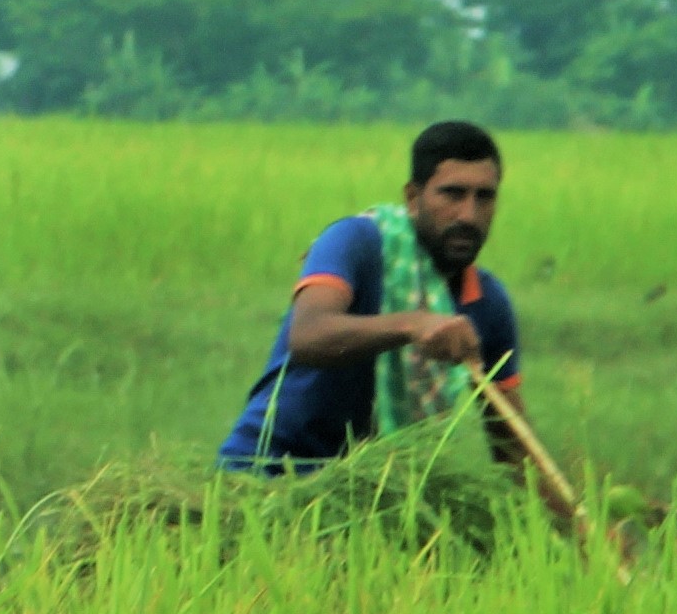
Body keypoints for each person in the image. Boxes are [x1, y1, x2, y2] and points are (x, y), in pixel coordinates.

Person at [217, 121, 523, 473]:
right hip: (270, 470)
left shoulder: (486, 304)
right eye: (452, 194)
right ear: (412, 197)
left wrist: (577, 525)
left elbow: (512, 442)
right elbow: (307, 336)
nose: (469, 215)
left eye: (484, 197)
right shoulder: (357, 242)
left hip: (379, 493)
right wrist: (412, 325)